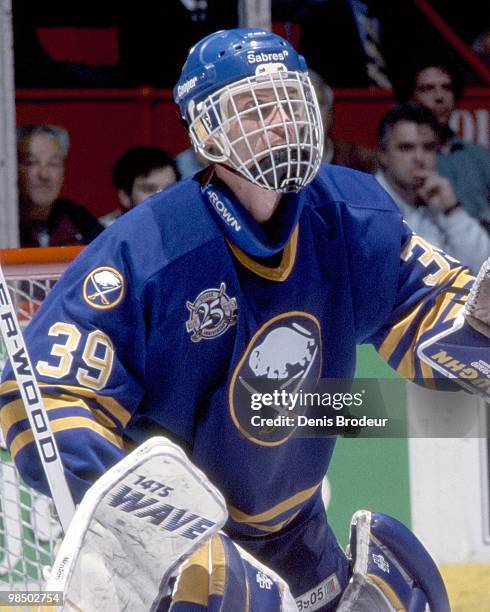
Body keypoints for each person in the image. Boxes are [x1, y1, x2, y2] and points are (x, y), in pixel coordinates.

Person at [2, 28, 488, 610]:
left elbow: (437, 317)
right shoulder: (150, 249)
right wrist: (156, 532)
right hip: (178, 556)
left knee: (402, 595)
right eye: (254, 110)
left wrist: (480, 321)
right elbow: (39, 399)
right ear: (206, 130)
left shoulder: (352, 215)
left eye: (287, 102)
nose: (279, 123)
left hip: (297, 534)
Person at [375, 103, 490, 272]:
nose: (419, 158)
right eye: (406, 148)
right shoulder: (365, 205)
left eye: (428, 148)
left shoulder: (438, 201)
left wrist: (452, 210)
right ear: (383, 155)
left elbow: (484, 270)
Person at [399, 60, 490, 225]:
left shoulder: (480, 156)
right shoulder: (404, 158)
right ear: (411, 96)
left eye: (447, 88)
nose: (440, 97)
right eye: (428, 89)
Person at [17, 124, 104, 246]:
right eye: (31, 162)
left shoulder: (78, 220)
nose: (44, 174)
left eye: (53, 164)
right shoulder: (6, 225)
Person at [308, 69, 378, 173]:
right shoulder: (279, 164)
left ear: (330, 113)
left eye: (318, 105)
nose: (310, 115)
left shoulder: (358, 159)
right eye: (300, 106)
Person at [100, 146, 181, 227]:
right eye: (149, 189)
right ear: (125, 197)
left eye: (170, 189)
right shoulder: (106, 236)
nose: (161, 197)